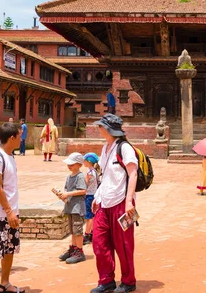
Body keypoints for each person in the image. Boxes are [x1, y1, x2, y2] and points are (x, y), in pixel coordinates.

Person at [91, 114, 138, 293]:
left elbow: (133, 174)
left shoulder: (125, 148)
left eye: (101, 126)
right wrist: (97, 196)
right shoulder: (105, 148)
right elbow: (104, 175)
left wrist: (129, 202)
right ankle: (106, 280)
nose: (99, 129)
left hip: (123, 203)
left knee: (124, 245)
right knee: (99, 242)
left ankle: (128, 281)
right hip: (104, 202)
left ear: (109, 129)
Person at [0, 122, 23, 293]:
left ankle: (5, 283)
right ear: (12, 137)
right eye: (20, 136)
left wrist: (13, 212)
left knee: (9, 249)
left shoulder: (10, 157)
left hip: (11, 213)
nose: (22, 139)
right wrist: (8, 212)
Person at [57, 153, 87, 264]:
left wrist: (68, 194)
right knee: (73, 231)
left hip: (77, 208)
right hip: (70, 207)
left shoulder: (80, 176)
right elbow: (66, 191)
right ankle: (73, 249)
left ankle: (79, 252)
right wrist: (62, 195)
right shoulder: (69, 177)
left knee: (78, 231)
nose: (69, 165)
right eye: (68, 164)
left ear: (79, 164)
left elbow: (83, 190)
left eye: (71, 164)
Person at [83, 152, 101, 245]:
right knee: (93, 215)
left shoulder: (89, 173)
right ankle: (93, 232)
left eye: (84, 160)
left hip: (89, 195)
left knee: (88, 216)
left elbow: (84, 185)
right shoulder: (95, 172)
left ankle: (87, 234)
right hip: (94, 195)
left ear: (89, 161)